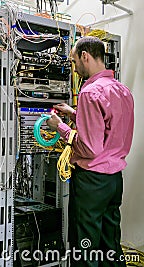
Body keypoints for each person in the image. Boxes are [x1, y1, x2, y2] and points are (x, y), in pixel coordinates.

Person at [46, 36, 134, 267]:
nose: (75, 69)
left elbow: (89, 148)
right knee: (110, 244)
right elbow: (108, 127)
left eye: (75, 62)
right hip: (114, 181)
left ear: (85, 56)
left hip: (92, 182)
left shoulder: (89, 92)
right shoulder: (122, 90)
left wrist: (61, 128)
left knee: (84, 247)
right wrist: (74, 114)